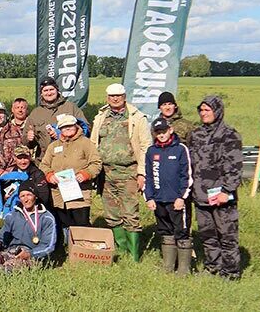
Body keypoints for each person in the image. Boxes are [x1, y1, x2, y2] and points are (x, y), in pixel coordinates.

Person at [91, 83, 151, 262]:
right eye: (111, 96)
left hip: (128, 172)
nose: (115, 99)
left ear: (124, 96)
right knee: (111, 214)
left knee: (130, 213)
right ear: (107, 98)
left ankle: (134, 256)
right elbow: (94, 142)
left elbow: (145, 146)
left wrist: (142, 173)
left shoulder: (137, 117)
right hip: (106, 173)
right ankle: (122, 248)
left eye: (118, 95)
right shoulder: (101, 116)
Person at [189, 96, 243, 280]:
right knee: (208, 235)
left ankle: (231, 272)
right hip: (200, 195)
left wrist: (226, 191)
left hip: (221, 195)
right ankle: (213, 268)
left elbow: (235, 167)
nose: (204, 113)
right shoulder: (196, 134)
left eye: (208, 110)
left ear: (217, 111)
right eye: (201, 110)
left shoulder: (229, 135)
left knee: (227, 236)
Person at [39, 115, 102, 242]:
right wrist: (49, 175)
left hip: (80, 193)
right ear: (59, 129)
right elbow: (43, 165)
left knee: (81, 223)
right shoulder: (53, 146)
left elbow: (96, 162)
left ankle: (84, 249)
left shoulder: (85, 143)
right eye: (64, 127)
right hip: (58, 194)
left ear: (76, 125)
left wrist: (86, 174)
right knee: (63, 223)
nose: (67, 129)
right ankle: (66, 248)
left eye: (70, 126)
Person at [144, 118, 193, 276]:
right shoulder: (151, 151)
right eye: (158, 132)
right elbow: (148, 176)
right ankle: (168, 267)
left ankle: (184, 269)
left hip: (177, 201)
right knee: (165, 232)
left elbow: (187, 175)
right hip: (159, 200)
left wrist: (182, 197)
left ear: (170, 130)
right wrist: (149, 198)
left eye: (164, 131)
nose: (161, 135)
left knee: (182, 232)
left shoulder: (180, 149)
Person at [0, 182, 56, 270]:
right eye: (22, 196)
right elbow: (3, 237)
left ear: (36, 196)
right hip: (10, 252)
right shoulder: (12, 215)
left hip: (32, 256)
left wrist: (30, 254)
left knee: (8, 268)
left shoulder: (47, 218)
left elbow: (48, 246)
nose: (26, 199)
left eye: (29, 195)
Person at [25, 77, 88, 159]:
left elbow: (85, 129)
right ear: (41, 93)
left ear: (57, 90)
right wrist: (29, 139)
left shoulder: (70, 107)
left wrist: (60, 133)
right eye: (45, 90)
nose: (49, 93)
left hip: (70, 157)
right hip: (45, 160)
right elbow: (25, 143)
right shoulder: (35, 113)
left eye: (51, 89)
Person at [0, 145, 47, 228]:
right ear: (14, 158)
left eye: (25, 158)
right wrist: (5, 198)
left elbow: (43, 197)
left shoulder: (37, 174)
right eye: (19, 158)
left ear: (30, 157)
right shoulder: (9, 176)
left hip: (31, 214)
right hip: (9, 213)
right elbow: (1, 197)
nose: (23, 161)